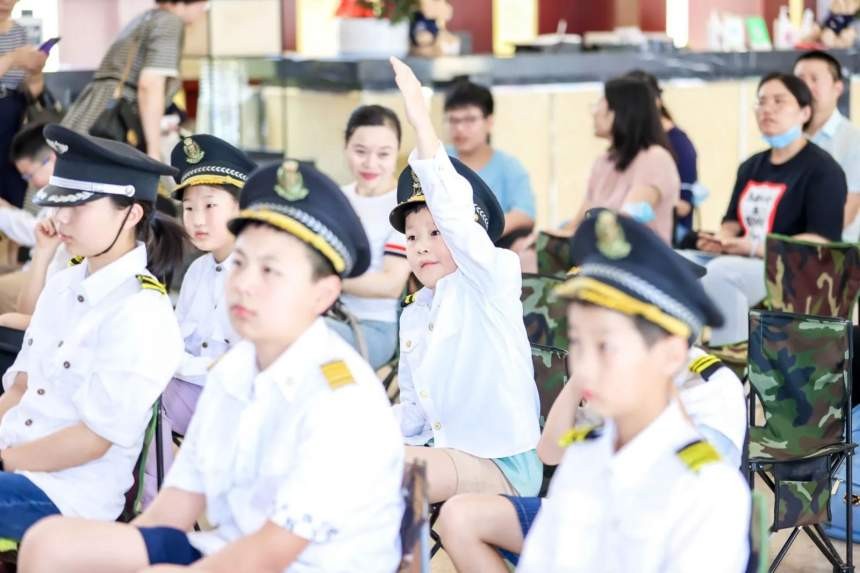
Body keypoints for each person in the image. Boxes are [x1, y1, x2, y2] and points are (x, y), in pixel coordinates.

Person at [19, 158, 405, 573]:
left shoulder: (341, 397)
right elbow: (175, 507)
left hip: (303, 565)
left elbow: (271, 551)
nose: (244, 283)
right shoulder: (236, 369)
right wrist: (123, 554)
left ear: (323, 293)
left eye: (270, 270)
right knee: (51, 544)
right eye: (239, 263)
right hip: (224, 548)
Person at [435, 216, 748, 572]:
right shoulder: (587, 456)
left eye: (606, 347)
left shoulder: (705, 491)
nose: (584, 366)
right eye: (577, 343)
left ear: (671, 353)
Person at [0, 124, 184, 542]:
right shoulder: (63, 284)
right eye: (59, 203)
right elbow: (20, 390)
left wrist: (5, 461)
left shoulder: (141, 312)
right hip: (15, 462)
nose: (61, 218)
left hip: (67, 495)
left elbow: (92, 440)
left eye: (79, 206)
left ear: (131, 214)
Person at [389, 57, 541, 504]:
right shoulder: (416, 312)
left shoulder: (492, 280)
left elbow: (456, 219)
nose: (421, 247)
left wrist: (421, 121)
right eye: (412, 237)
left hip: (504, 463)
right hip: (445, 452)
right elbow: (414, 413)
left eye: (436, 234)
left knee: (393, 470)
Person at [141, 134, 255, 504]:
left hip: (242, 406)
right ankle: (154, 507)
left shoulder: (257, 271)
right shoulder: (198, 271)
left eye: (210, 205)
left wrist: (179, 364)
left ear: (241, 206)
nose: (197, 219)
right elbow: (174, 344)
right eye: (189, 208)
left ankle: (159, 509)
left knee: (146, 401)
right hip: (196, 393)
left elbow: (243, 368)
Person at [697, 73, 846, 347]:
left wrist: (754, 247)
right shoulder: (751, 166)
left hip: (795, 269)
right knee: (682, 264)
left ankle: (731, 356)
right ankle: (684, 360)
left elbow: (821, 241)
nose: (767, 109)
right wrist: (723, 239)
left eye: (779, 101)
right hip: (745, 259)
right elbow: (731, 221)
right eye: (762, 102)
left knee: (720, 273)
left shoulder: (823, 170)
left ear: (804, 112)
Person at [61, 0, 208, 161]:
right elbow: (150, 85)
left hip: (90, 114)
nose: (203, 10)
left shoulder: (145, 18)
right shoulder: (169, 22)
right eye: (204, 4)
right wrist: (153, 152)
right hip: (115, 124)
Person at [329, 105, 411, 369]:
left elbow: (391, 284)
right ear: (345, 147)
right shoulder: (336, 197)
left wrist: (325, 282)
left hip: (374, 328)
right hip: (328, 315)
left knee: (303, 336)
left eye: (383, 154)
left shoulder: (404, 206)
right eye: (360, 151)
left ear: (397, 152)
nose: (370, 163)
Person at [563, 76, 680, 244]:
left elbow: (625, 225)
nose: (594, 112)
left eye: (601, 104)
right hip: (598, 252)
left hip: (637, 256)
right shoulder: (603, 161)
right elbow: (577, 223)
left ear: (620, 112)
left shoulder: (655, 159)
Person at [444, 80, 536, 239]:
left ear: (489, 122)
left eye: (470, 120)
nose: (459, 128)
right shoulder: (438, 160)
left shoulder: (509, 166)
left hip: (494, 242)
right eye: (453, 120)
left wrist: (482, 232)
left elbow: (525, 214)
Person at [626, 70, 702, 246]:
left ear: (655, 102)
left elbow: (684, 206)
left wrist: (645, 202)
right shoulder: (631, 145)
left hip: (671, 231)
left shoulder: (679, 144)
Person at [793, 50, 860, 242]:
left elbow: (848, 212)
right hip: (784, 245)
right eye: (800, 80)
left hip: (832, 249)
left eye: (814, 79)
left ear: (837, 88)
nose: (806, 86)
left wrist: (789, 245)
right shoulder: (789, 137)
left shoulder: (854, 140)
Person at [0, 0, 47, 208]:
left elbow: (34, 90)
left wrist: (36, 71)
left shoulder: (19, 32)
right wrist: (12, 59)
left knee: (15, 184)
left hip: (14, 117)